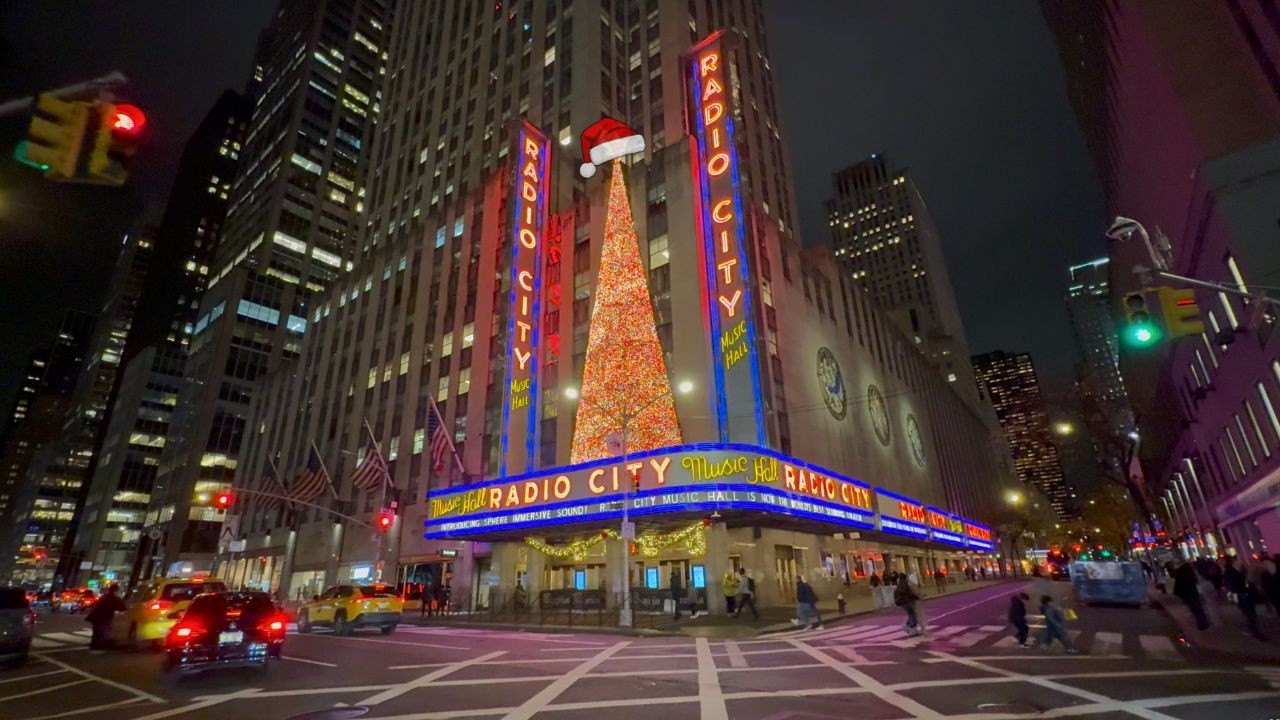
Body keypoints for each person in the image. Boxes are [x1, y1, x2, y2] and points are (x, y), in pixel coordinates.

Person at [1225, 556, 1267, 640]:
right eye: (1238, 560)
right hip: (1243, 596)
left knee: (1249, 614)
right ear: (1234, 562)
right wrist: (1246, 587)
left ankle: (1254, 630)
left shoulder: (1235, 572)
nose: (1240, 562)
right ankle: (1257, 633)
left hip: (1242, 596)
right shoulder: (1234, 573)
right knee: (1250, 615)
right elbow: (1236, 586)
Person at [1172, 559, 1210, 630]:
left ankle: (1202, 624)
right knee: (1198, 608)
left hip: (1188, 594)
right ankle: (1203, 623)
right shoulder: (1189, 571)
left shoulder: (1180, 572)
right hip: (1192, 592)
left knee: (1195, 609)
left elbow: (1179, 585)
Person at [86, 584, 126, 651]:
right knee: (104, 631)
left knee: (96, 631)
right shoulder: (114, 598)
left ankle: (94, 645)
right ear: (116, 591)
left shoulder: (104, 596)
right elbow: (123, 608)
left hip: (95, 616)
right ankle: (100, 645)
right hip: (104, 617)